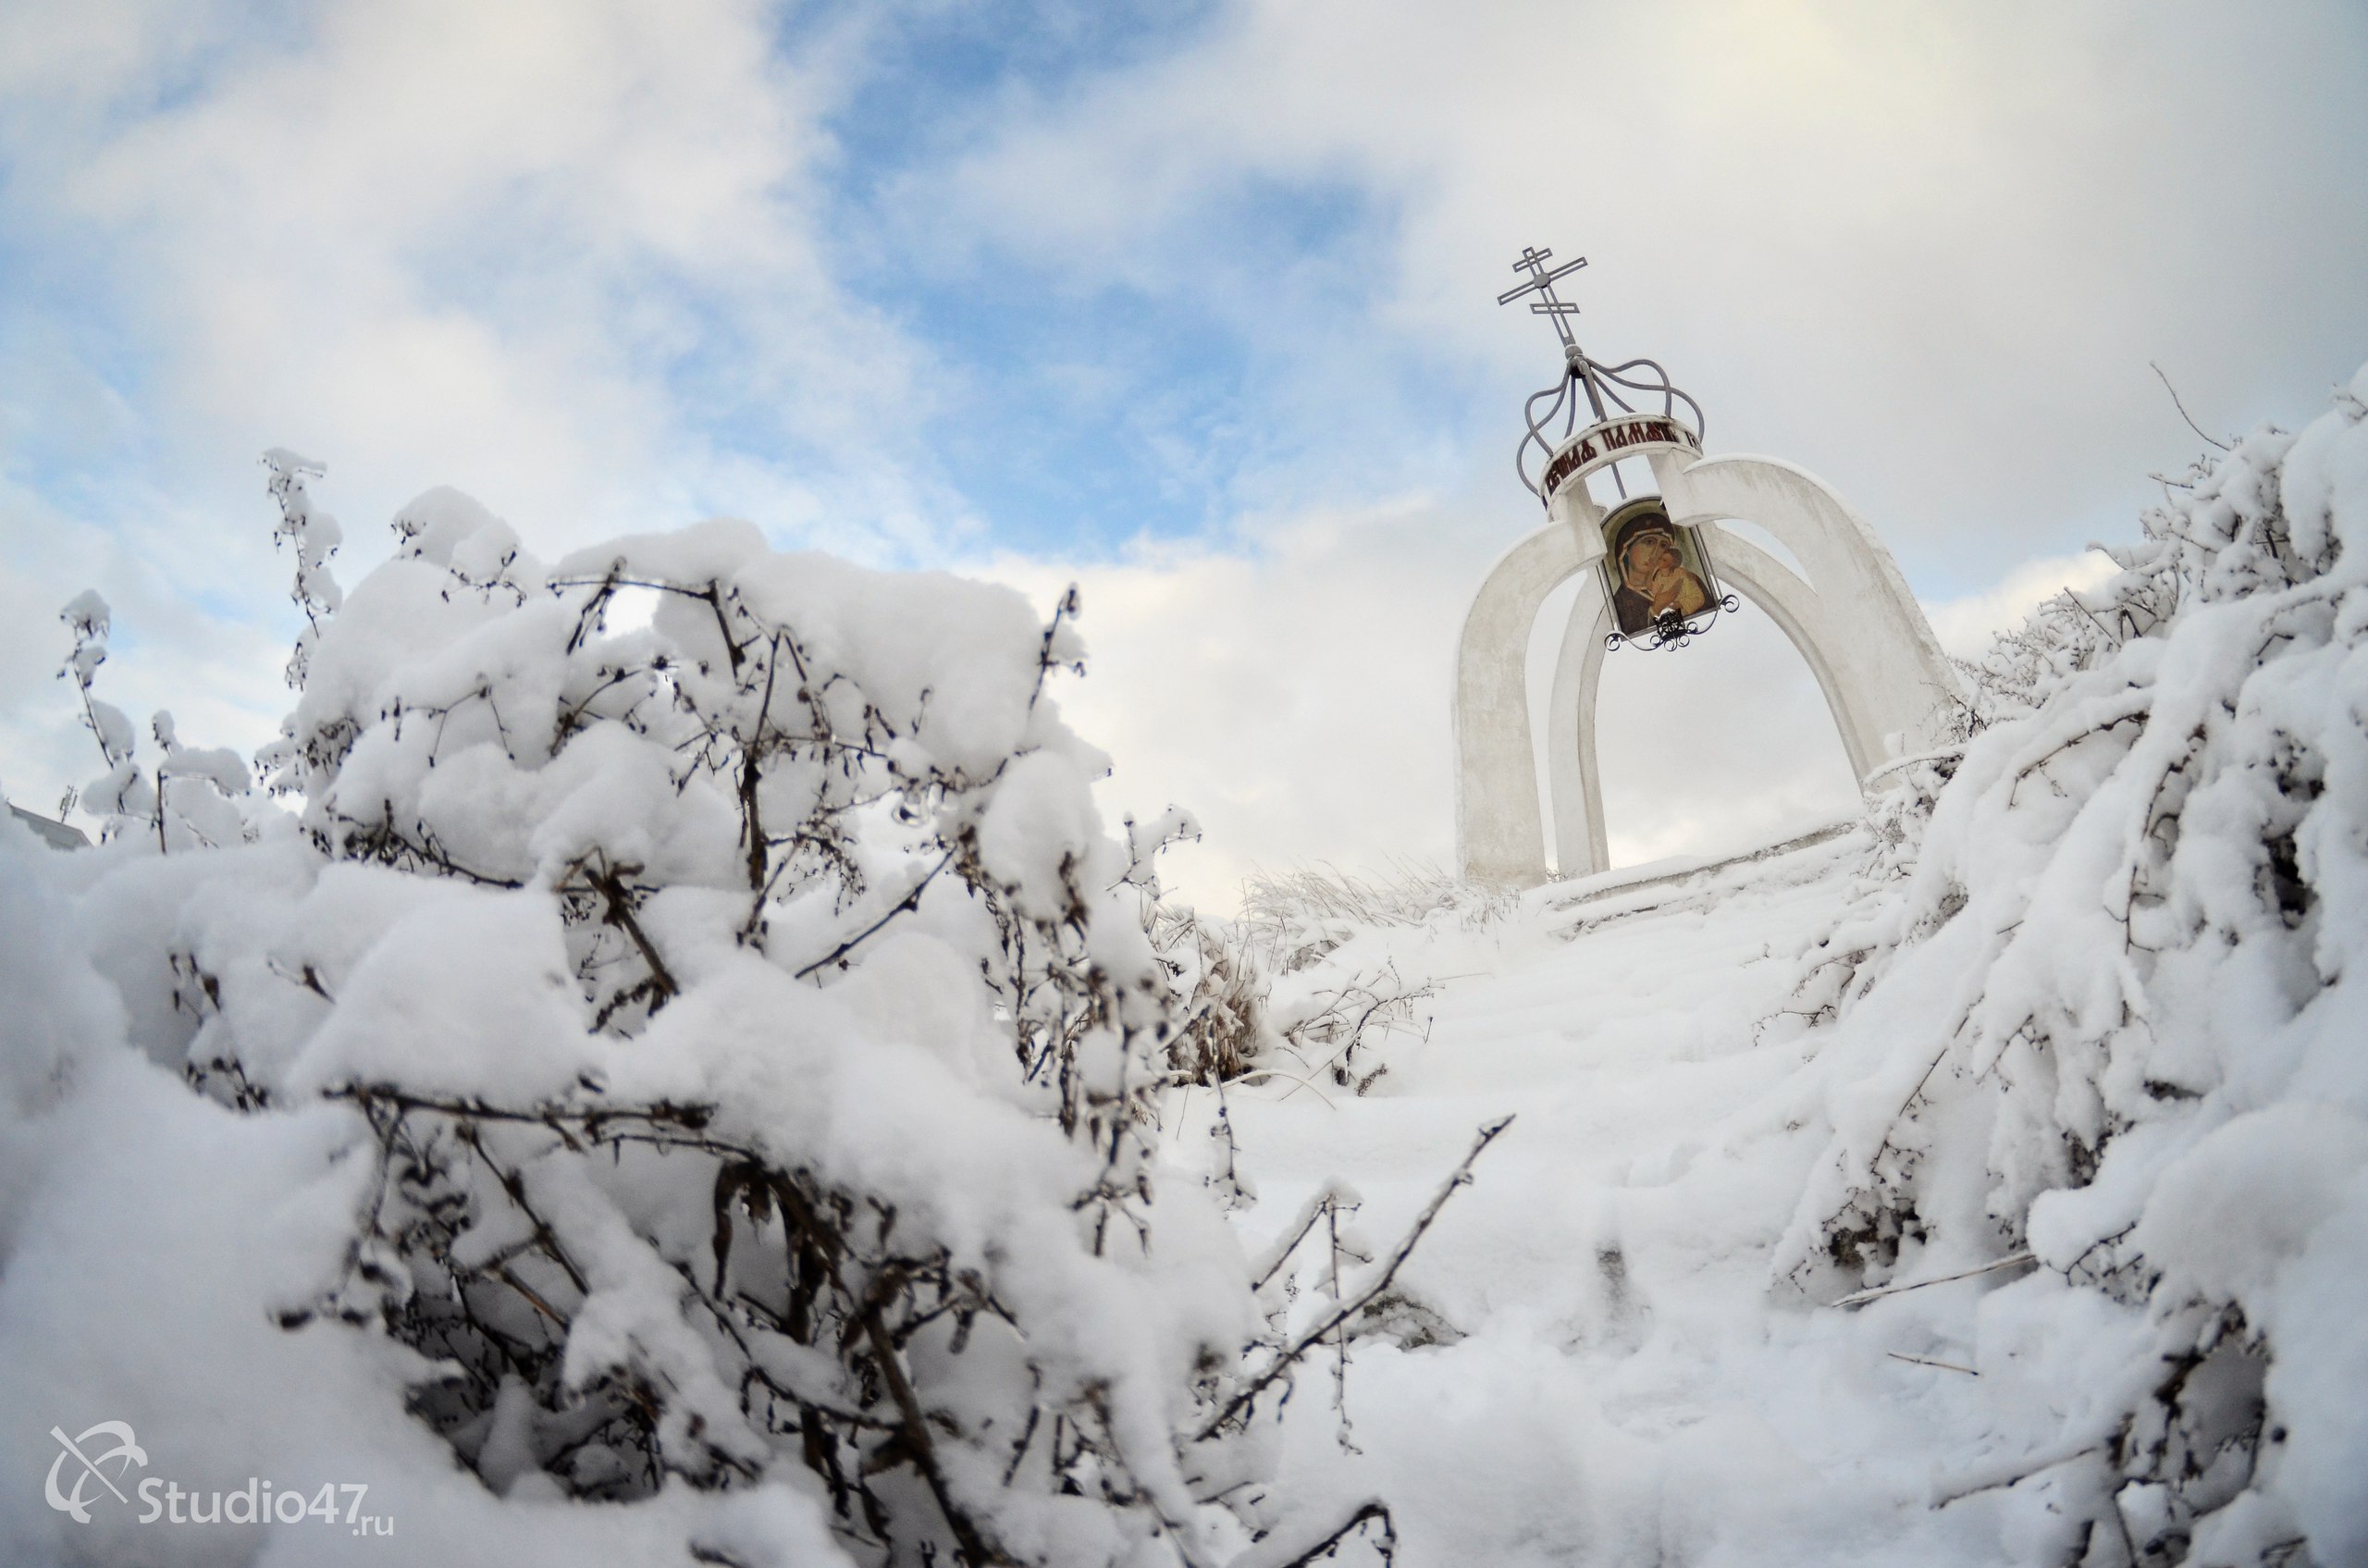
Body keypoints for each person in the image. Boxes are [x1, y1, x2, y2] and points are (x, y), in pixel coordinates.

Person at [1610, 517, 1711, 635]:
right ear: (1627, 548)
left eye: (1663, 545)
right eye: (1649, 542)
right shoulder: (1621, 600)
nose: (1655, 553)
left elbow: (1703, 610)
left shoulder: (1687, 578)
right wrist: (1655, 609)